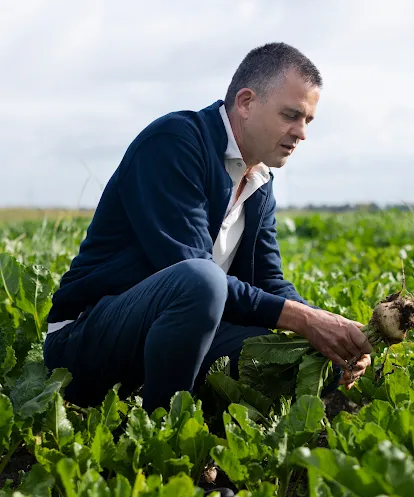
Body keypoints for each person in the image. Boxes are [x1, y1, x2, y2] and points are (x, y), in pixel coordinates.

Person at [43, 42, 372, 417]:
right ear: (246, 103)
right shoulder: (174, 143)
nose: (301, 133)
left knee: (313, 356)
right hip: (87, 341)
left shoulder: (259, 179)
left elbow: (269, 281)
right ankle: (166, 429)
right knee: (202, 280)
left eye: (307, 120)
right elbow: (188, 268)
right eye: (291, 115)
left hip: (177, 338)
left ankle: (189, 403)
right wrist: (305, 320)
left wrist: (330, 330)